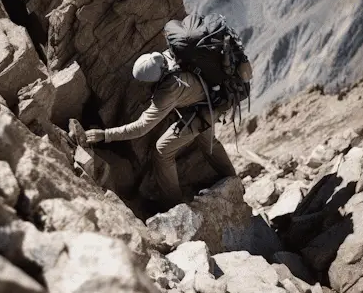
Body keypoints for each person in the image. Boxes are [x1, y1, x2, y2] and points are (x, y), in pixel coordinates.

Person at [85, 49, 252, 210]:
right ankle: (233, 180)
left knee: (163, 150)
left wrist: (105, 135)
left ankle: (174, 205)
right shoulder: (170, 54)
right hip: (210, 98)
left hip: (204, 109)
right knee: (208, 142)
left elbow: (142, 127)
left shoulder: (170, 89)